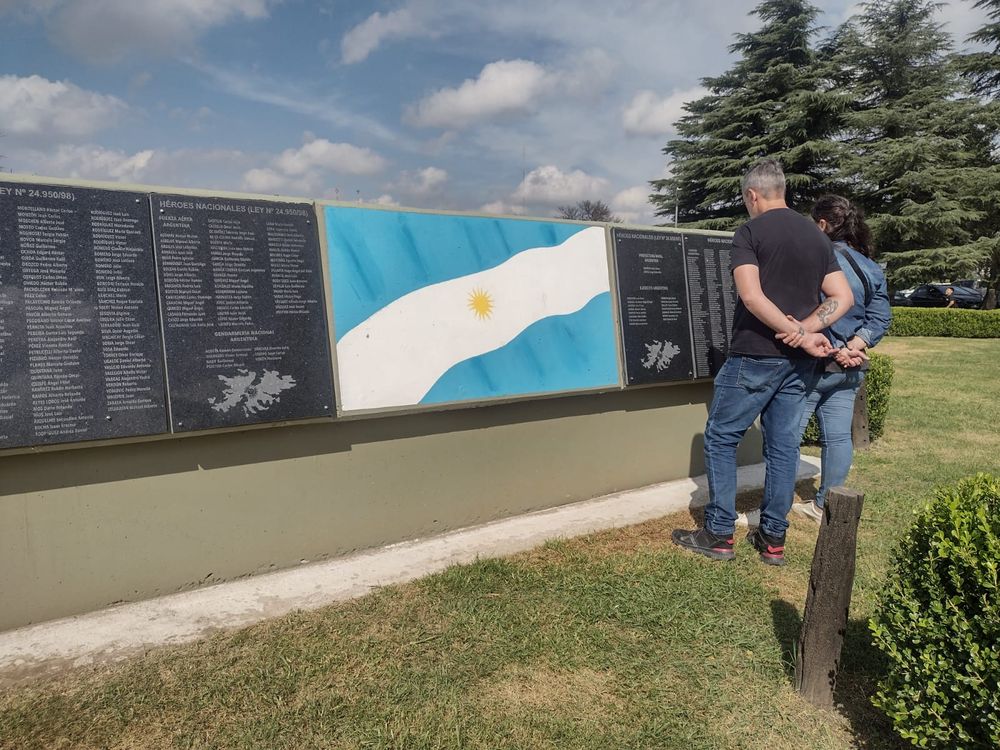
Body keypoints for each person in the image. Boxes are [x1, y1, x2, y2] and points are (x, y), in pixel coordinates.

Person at [672, 159, 857, 566]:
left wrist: (796, 334)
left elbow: (752, 298)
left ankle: (718, 534)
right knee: (783, 446)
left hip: (755, 354)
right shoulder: (817, 236)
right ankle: (773, 540)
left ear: (751, 195)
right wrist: (807, 333)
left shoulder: (750, 231)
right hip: (798, 365)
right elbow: (842, 298)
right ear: (783, 191)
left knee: (721, 437)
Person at [793, 195, 891, 522]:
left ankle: (775, 504)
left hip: (812, 365)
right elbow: (880, 318)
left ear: (821, 225)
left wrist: (834, 344)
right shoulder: (870, 265)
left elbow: (809, 309)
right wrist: (856, 344)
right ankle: (825, 507)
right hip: (849, 367)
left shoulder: (815, 260)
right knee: (837, 438)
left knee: (784, 433)